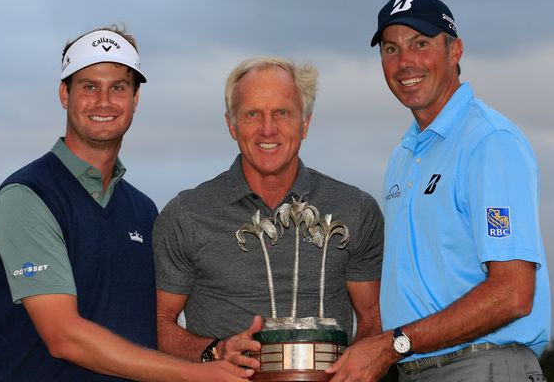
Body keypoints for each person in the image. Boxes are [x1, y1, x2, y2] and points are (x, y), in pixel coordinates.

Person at [0, 25, 253, 382]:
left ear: (135, 100)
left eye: (118, 88)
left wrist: (212, 352)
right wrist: (198, 376)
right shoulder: (27, 197)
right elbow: (64, 337)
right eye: (89, 86)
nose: (103, 102)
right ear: (65, 94)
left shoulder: (142, 210)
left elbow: (151, 333)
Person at [326, 0, 551, 381]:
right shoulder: (403, 155)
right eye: (391, 48)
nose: (404, 62)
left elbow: (513, 294)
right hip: (418, 368)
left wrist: (390, 345)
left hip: (482, 367)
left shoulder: (489, 142)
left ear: (455, 51)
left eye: (421, 44)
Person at [153, 56, 385, 368]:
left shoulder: (356, 209)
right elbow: (159, 324)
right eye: (252, 114)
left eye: (282, 113)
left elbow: (372, 320)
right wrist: (216, 351)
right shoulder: (185, 215)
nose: (267, 129)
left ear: (305, 123)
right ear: (231, 125)